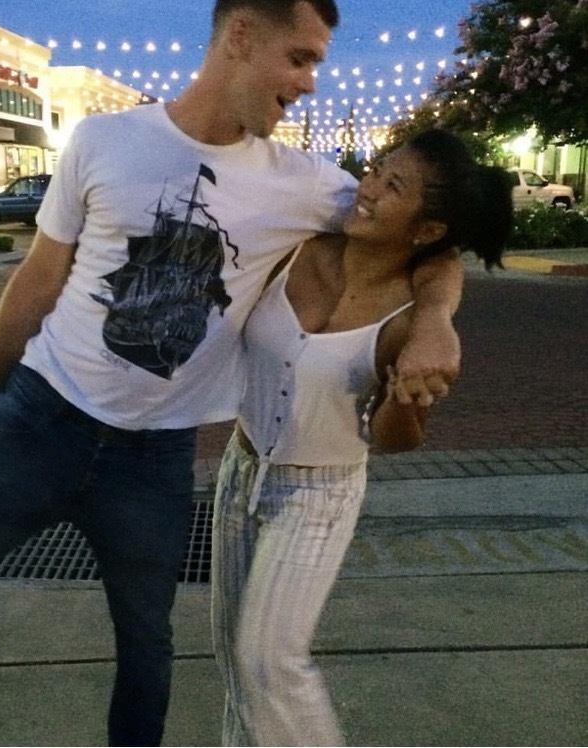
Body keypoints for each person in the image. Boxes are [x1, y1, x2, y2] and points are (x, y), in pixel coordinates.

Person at [0, 0, 463, 747]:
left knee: (148, 651)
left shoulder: (306, 184)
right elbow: (37, 283)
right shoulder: (104, 140)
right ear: (242, 37)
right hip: (40, 420)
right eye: (300, 58)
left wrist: (435, 321)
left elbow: (431, 245)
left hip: (154, 457)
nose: (310, 83)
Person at [211, 128, 513, 747]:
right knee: (237, 665)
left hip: (318, 496)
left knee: (271, 661)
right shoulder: (299, 244)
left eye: (392, 185)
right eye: (377, 169)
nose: (367, 187)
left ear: (427, 230)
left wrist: (404, 397)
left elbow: (394, 439)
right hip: (238, 473)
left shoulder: (406, 319)